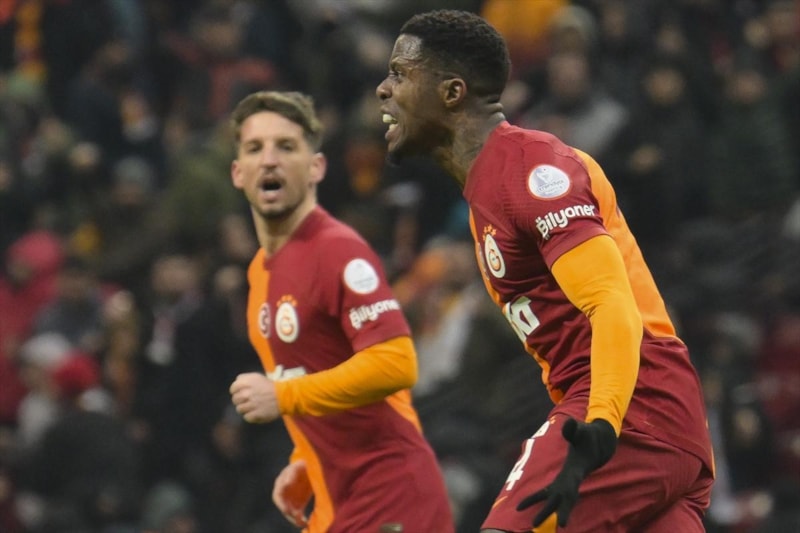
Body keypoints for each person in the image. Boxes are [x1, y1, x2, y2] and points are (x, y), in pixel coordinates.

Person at [375, 9, 714, 533]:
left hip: (630, 407)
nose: (383, 89)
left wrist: (601, 423)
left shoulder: (532, 170)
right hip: (658, 421)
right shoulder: (491, 188)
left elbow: (611, 303)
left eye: (400, 73)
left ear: (452, 92)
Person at [226, 90, 454, 533]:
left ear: (316, 167)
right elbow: (319, 374)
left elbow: (395, 363)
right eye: (255, 148)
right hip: (339, 503)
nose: (269, 160)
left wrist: (282, 398)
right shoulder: (259, 273)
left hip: (392, 495)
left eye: (285, 147)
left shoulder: (336, 251)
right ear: (238, 172)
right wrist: (307, 460)